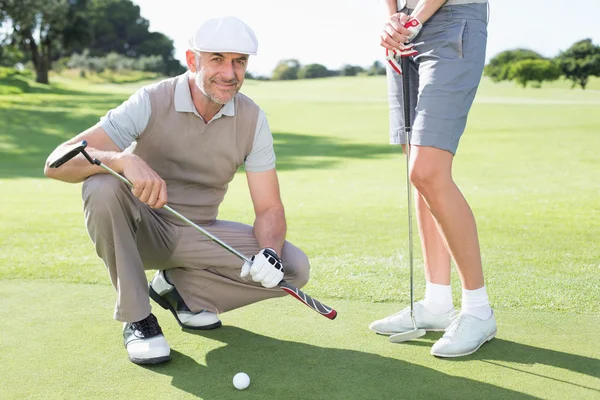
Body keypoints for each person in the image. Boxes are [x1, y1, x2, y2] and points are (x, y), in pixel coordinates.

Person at [44, 16, 310, 365]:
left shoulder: (253, 119)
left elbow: (269, 208)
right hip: (142, 231)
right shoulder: (151, 100)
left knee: (292, 268)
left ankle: (178, 290)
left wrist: (270, 252)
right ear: (191, 60)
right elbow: (56, 162)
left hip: (198, 234)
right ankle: (137, 317)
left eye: (239, 61)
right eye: (217, 59)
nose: (229, 73)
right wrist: (121, 160)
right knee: (102, 184)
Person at [369, 0, 496, 357]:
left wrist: (413, 19)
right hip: (405, 31)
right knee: (417, 172)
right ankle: (437, 302)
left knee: (427, 170)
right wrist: (392, 20)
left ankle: (478, 310)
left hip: (449, 20)